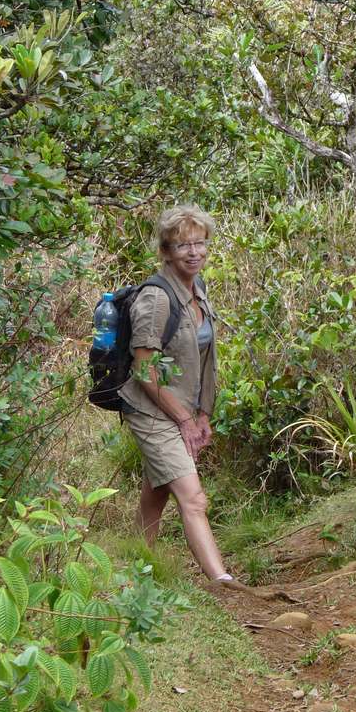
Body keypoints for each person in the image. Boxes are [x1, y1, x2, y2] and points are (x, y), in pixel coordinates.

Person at [119, 204, 233, 583]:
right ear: (165, 251)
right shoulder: (156, 298)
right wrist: (184, 419)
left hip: (182, 408)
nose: (194, 252)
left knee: (158, 491)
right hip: (151, 410)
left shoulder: (196, 289)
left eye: (200, 243)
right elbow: (144, 369)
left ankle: (133, 567)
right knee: (193, 497)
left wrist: (202, 415)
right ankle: (223, 583)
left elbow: (202, 359)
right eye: (183, 245)